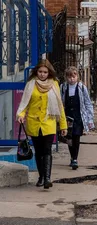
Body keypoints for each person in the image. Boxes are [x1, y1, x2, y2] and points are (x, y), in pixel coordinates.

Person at [16, 59, 68, 189]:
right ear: (36, 72)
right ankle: (41, 176)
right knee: (39, 152)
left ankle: (47, 178)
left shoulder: (54, 84)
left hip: (48, 122)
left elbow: (59, 106)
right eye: (40, 71)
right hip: (34, 123)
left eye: (45, 72)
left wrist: (63, 125)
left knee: (47, 150)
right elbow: (24, 103)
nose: (42, 74)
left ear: (49, 72)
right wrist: (21, 115)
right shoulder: (31, 84)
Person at [60, 67, 95, 170]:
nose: (72, 79)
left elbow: (88, 103)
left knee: (76, 137)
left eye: (74, 76)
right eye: (69, 76)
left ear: (77, 76)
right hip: (67, 116)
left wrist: (89, 118)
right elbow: (60, 101)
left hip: (78, 116)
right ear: (66, 77)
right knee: (69, 137)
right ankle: (72, 156)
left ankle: (75, 159)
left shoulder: (81, 88)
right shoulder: (63, 87)